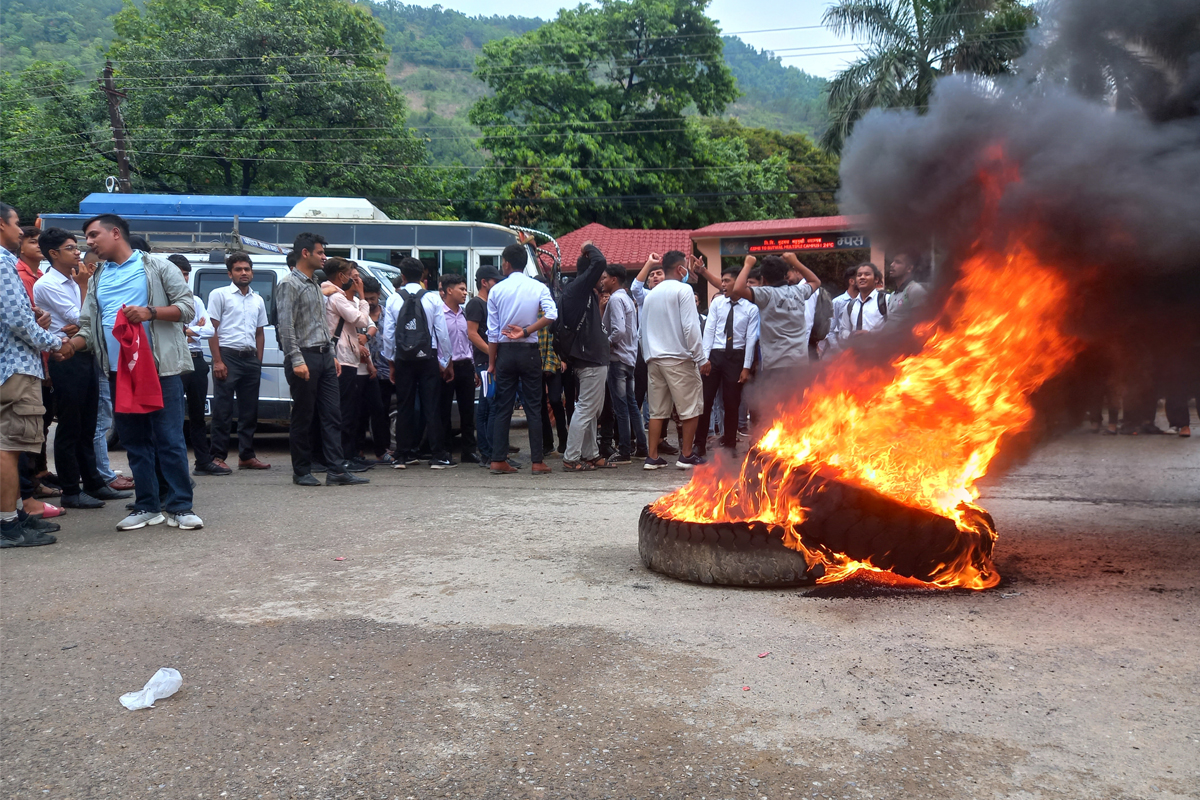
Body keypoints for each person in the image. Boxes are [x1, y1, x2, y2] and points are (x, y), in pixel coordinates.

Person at [64, 213, 205, 530]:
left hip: (159, 370)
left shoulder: (158, 267)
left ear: (115, 233)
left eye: (93, 235)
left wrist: (149, 312)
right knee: (135, 442)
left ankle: (181, 506)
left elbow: (187, 309)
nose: (89, 242)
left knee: (169, 440)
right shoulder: (98, 276)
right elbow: (88, 328)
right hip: (117, 373)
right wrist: (70, 346)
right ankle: (147, 506)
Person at [33, 227, 133, 508]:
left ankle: (94, 483)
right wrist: (85, 290)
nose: (78, 252)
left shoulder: (78, 278)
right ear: (53, 254)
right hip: (66, 358)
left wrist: (84, 316)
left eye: (76, 247)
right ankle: (70, 490)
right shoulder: (49, 284)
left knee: (90, 425)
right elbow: (83, 316)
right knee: (70, 427)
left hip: (88, 354)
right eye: (70, 248)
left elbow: (95, 318)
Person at [1, 203, 72, 547]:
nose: (21, 231)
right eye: (17, 224)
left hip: (12, 365)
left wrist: (36, 323)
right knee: (10, 447)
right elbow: (18, 320)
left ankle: (14, 516)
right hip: (15, 367)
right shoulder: (3, 263)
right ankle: (8, 525)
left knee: (12, 446)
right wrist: (54, 340)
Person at [276, 231, 368, 487]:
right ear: (305, 253)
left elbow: (321, 325)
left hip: (325, 356)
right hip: (303, 356)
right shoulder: (288, 284)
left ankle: (336, 470)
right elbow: (286, 326)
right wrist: (296, 359)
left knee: (332, 414)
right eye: (320, 252)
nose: (324, 257)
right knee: (304, 416)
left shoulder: (315, 285)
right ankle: (302, 470)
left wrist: (330, 353)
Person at [486, 243, 557, 475]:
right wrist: (526, 331)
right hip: (529, 351)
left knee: (502, 406)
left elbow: (493, 332)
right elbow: (552, 314)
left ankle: (498, 460)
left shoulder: (496, 290)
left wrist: (492, 362)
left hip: (505, 352)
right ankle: (537, 462)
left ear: (506, 263)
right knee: (534, 407)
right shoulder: (537, 287)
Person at [380, 257, 454, 469]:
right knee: (432, 405)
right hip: (428, 357)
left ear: (402, 276)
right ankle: (437, 455)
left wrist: (391, 362)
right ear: (423, 275)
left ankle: (403, 455)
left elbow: (388, 335)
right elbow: (441, 332)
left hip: (403, 358)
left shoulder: (394, 299)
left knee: (405, 406)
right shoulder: (432, 299)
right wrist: (445, 360)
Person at [639, 252, 707, 470]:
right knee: (690, 408)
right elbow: (691, 327)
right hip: (678, 358)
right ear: (680, 269)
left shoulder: (651, 294)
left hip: (654, 359)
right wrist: (701, 357)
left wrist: (648, 356)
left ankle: (652, 456)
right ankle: (686, 455)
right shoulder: (684, 289)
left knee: (657, 410)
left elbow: (642, 331)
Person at [207, 251, 270, 471]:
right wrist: (218, 361)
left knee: (249, 410)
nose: (244, 273)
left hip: (250, 358)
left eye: (247, 269)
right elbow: (211, 329)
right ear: (229, 273)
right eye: (238, 269)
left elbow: (260, 332)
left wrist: (258, 362)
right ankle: (217, 456)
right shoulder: (219, 295)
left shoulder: (258, 299)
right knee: (223, 410)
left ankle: (246, 456)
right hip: (228, 356)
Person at [165, 255, 224, 476]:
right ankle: (175, 467)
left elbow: (209, 330)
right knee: (173, 416)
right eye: (180, 274)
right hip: (174, 362)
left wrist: (187, 331)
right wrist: (190, 330)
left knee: (198, 415)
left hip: (197, 360)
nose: (184, 278)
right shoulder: (162, 301)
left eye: (187, 274)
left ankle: (203, 461)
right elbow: (170, 332)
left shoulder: (195, 300)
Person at [729, 253, 821, 387]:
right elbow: (815, 281)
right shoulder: (799, 291)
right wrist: (795, 262)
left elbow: (738, 289)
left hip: (775, 364)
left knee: (774, 406)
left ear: (763, 279)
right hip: (799, 363)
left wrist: (748, 264)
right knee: (796, 407)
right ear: (785, 276)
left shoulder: (765, 294)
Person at [559, 244, 612, 471]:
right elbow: (599, 262)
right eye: (600, 276)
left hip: (588, 357)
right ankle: (571, 458)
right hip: (589, 358)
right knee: (586, 409)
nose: (602, 279)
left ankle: (591, 454)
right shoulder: (579, 288)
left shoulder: (579, 291)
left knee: (590, 409)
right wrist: (589, 247)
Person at [696, 267, 760, 458]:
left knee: (731, 402)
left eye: (727, 281)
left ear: (738, 283)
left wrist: (746, 367)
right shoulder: (717, 304)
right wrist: (705, 358)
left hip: (736, 357)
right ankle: (699, 443)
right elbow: (709, 330)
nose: (723, 285)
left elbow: (751, 339)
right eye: (722, 281)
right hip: (715, 355)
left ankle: (730, 444)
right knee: (705, 401)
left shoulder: (751, 308)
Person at [320, 258, 374, 472]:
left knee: (348, 410)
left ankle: (348, 454)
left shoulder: (333, 295)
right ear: (340, 276)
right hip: (342, 357)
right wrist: (362, 297)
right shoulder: (336, 297)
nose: (354, 279)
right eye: (351, 275)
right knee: (344, 411)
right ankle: (343, 456)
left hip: (346, 357)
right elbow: (361, 321)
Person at [600, 263, 647, 464]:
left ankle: (625, 450)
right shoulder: (627, 298)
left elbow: (618, 330)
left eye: (604, 277)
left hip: (618, 359)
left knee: (621, 407)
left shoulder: (617, 299)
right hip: (629, 357)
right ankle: (642, 447)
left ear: (613, 279)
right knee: (632, 405)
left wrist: (606, 344)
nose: (602, 281)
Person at [438, 273, 478, 464]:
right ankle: (444, 451)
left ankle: (468, 451)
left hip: (465, 366)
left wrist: (474, 367)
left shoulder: (465, 314)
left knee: (468, 411)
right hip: (445, 368)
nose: (465, 293)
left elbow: (470, 341)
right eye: (461, 289)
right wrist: (441, 364)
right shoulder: (438, 314)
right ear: (448, 291)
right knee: (443, 410)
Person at [465, 264, 502, 466]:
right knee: (489, 407)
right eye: (494, 281)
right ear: (484, 282)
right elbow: (472, 334)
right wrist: (492, 353)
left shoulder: (490, 304)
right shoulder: (475, 304)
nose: (497, 285)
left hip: (489, 361)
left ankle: (492, 452)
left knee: (490, 406)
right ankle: (488, 453)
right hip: (484, 362)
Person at [357, 274, 394, 463]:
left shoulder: (388, 315)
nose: (370, 302)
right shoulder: (358, 315)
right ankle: (359, 450)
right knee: (360, 413)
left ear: (379, 296)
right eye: (367, 298)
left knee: (381, 413)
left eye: (373, 298)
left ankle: (382, 450)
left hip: (385, 372)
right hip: (363, 371)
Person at [842, 263, 888, 338]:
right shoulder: (850, 305)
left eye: (867, 274)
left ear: (876, 279)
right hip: (856, 349)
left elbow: (895, 327)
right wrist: (850, 335)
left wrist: (871, 334)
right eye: (859, 275)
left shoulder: (885, 300)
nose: (862, 277)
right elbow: (843, 330)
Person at [886, 252, 929, 323]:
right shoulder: (893, 294)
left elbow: (920, 324)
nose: (892, 265)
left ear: (909, 268)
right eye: (893, 261)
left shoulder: (915, 290)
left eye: (898, 262)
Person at [826, 265, 860, 354]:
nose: (862, 279)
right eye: (859, 276)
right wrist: (838, 351)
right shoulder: (837, 302)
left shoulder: (864, 302)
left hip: (862, 350)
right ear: (851, 281)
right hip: (843, 350)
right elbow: (830, 330)